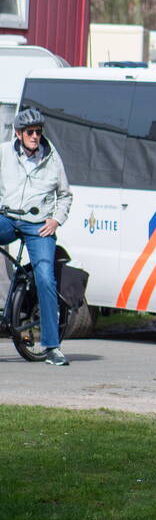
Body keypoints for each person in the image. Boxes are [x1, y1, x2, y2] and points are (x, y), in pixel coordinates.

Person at [0, 108, 73, 365]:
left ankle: (52, 347)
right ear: (18, 134)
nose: (35, 136)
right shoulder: (4, 153)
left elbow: (65, 195)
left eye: (38, 132)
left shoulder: (52, 157)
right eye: (30, 132)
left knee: (45, 276)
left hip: (38, 223)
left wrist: (56, 220)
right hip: (7, 217)